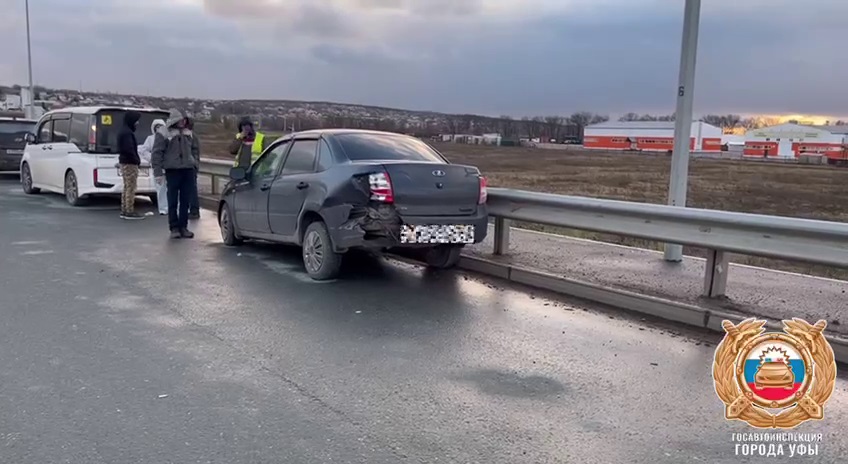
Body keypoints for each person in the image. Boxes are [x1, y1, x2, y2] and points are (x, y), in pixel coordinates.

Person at [152, 109, 201, 239]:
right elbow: (157, 153)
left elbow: (195, 149)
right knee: (172, 199)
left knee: (185, 200)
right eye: (181, 120)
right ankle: (174, 227)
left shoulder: (188, 133)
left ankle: (183, 226)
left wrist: (195, 164)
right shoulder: (163, 133)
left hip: (187, 169)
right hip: (172, 170)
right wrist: (158, 172)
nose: (183, 122)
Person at [117, 110, 145, 220]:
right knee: (131, 187)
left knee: (126, 186)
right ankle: (129, 210)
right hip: (130, 163)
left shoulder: (123, 131)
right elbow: (129, 149)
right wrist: (136, 160)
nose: (137, 123)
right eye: (136, 121)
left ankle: (125, 209)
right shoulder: (127, 133)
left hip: (124, 162)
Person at [139, 118, 168, 215]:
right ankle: (163, 208)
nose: (159, 129)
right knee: (160, 189)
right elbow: (143, 150)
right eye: (157, 127)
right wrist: (151, 158)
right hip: (157, 167)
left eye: (161, 127)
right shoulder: (150, 139)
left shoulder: (167, 138)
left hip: (168, 167)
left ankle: (171, 207)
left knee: (169, 189)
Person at [186, 117, 201, 220]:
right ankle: (192, 209)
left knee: (192, 189)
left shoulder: (191, 137)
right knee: (190, 189)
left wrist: (194, 164)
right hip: (190, 165)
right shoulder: (191, 136)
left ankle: (194, 210)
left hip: (190, 166)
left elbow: (194, 152)